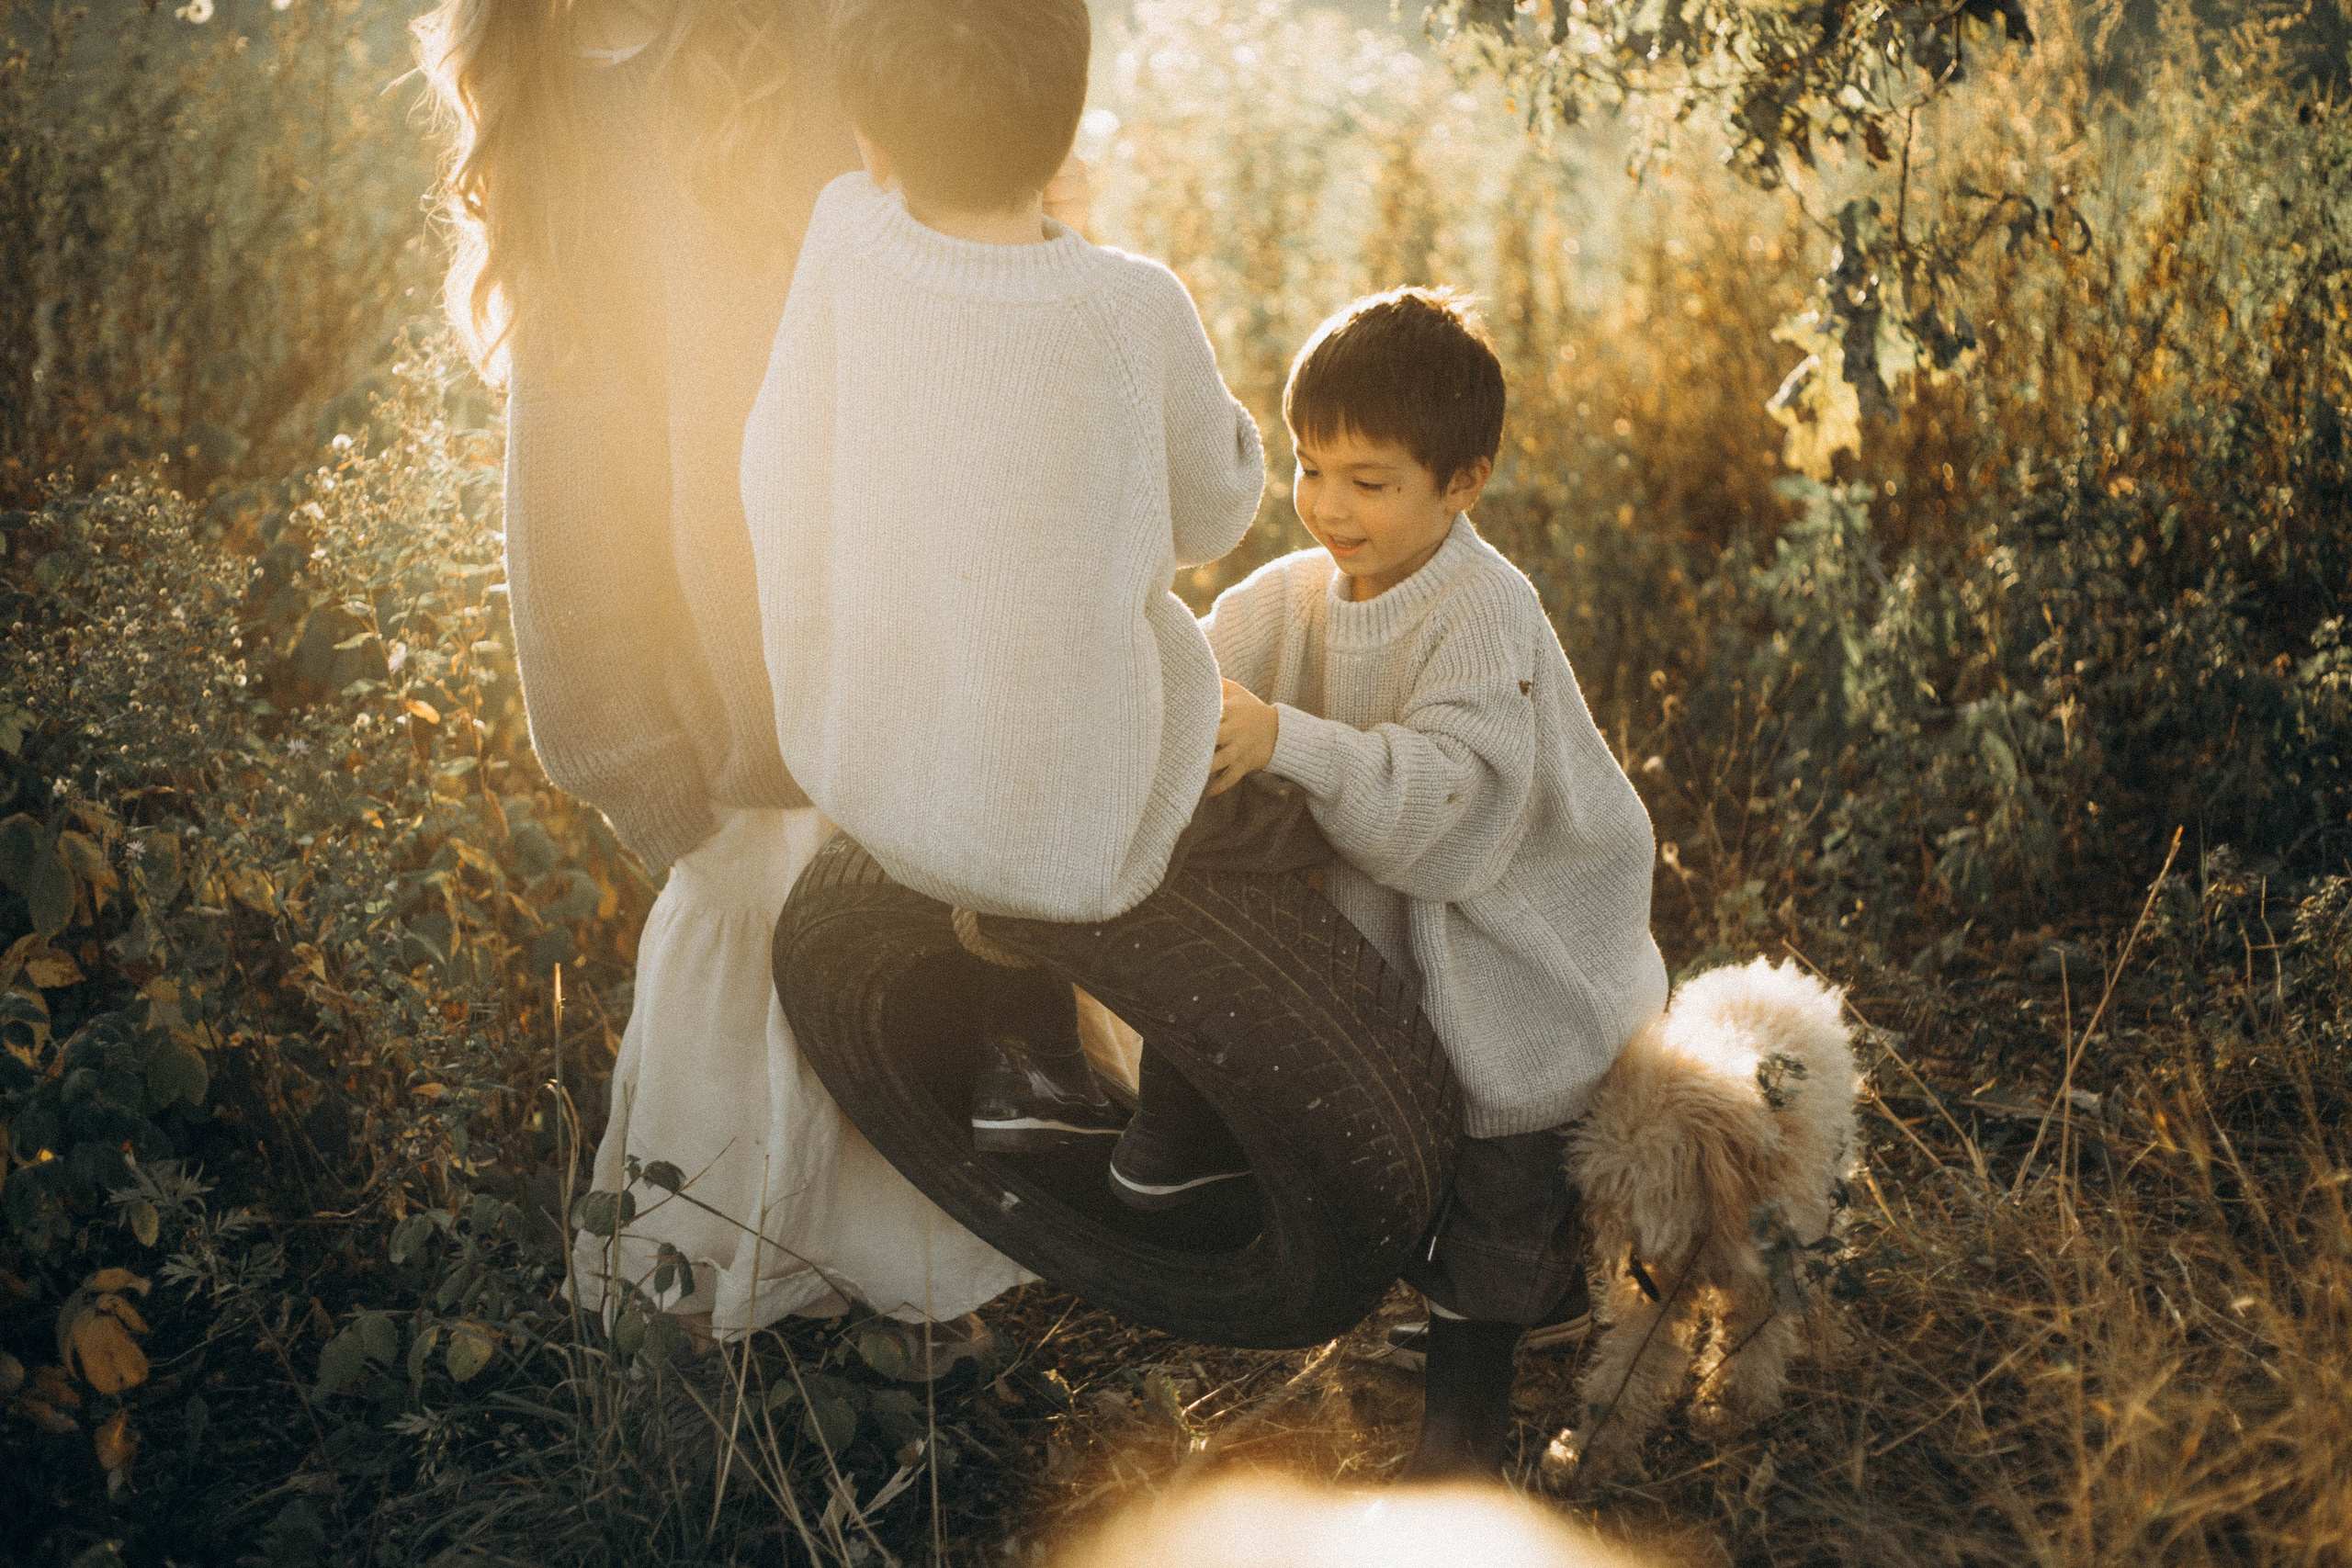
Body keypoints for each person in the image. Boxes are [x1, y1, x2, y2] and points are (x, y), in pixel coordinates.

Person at [411, 0, 1069, 1353]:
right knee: (712, 1216)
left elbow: (971, 263)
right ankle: (708, 1391)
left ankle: (913, 1330)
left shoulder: (813, 43)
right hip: (746, 715)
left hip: (904, 664)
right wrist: (636, 766)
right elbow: (570, 476)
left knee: (921, 1112)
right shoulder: (560, 102)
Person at [742, 0, 1304, 1168]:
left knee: (1000, 683)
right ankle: (1183, 1124)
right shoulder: (1134, 306)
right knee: (1276, 806)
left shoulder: (843, 232)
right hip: (1074, 805)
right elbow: (1212, 513)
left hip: (874, 752)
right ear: (1061, 142)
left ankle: (1021, 1035)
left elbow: (777, 457)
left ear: (872, 133)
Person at [1194, 288, 1671, 1479]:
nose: (1330, 506)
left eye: (1371, 479)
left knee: (1496, 1187)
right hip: (1413, 947)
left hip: (1522, 960)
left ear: (1462, 480)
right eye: (1311, 468)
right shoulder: (1302, 591)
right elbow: (1190, 659)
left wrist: (1284, 739)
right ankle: (1547, 1290)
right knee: (1412, 1175)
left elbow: (1447, 817)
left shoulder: (1484, 610)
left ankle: (1463, 1441)